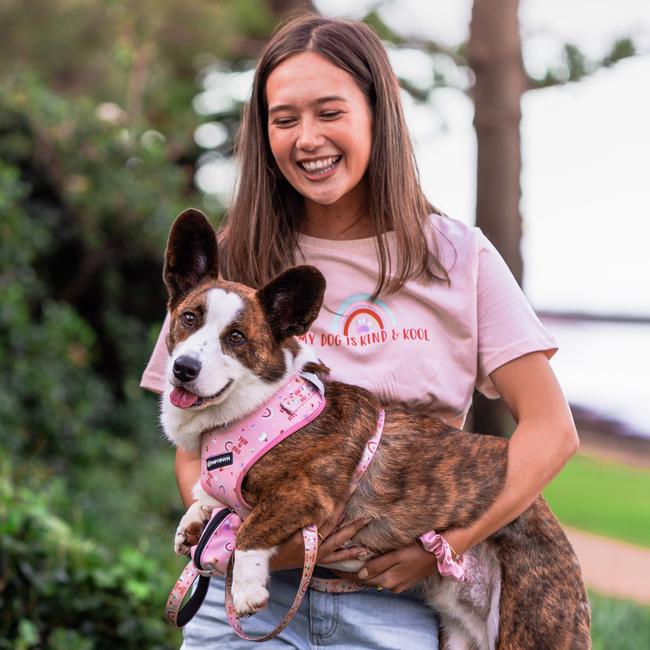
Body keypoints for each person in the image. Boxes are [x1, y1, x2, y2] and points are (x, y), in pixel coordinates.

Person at [140, 14, 578, 649]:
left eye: (329, 112)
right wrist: (252, 540)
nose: (307, 138)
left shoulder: (457, 256)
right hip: (248, 609)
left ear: (377, 113)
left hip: (393, 607)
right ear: (263, 133)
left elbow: (551, 431)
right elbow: (192, 451)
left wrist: (445, 548)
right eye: (284, 119)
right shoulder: (231, 264)